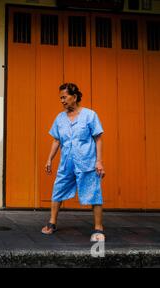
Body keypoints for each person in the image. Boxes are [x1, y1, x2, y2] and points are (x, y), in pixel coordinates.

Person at [41, 83, 106, 242]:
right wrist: (50, 158)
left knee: (94, 193)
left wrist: (99, 162)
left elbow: (98, 138)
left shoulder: (90, 115)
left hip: (86, 162)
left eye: (64, 97)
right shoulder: (60, 118)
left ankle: (98, 228)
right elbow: (57, 140)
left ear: (74, 97)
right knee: (58, 189)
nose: (62, 101)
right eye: (60, 98)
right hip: (67, 163)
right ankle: (52, 223)